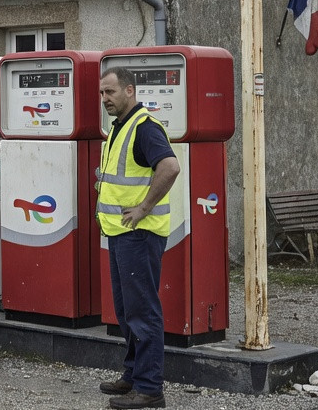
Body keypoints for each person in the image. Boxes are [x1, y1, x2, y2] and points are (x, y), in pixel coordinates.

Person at [96, 67, 181, 410]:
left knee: (142, 311)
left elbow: (170, 167)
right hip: (120, 235)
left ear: (129, 90)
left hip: (139, 236)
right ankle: (132, 376)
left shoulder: (144, 127)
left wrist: (144, 208)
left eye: (111, 92)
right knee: (126, 310)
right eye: (102, 93)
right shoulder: (120, 127)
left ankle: (149, 388)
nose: (105, 99)